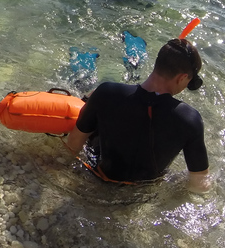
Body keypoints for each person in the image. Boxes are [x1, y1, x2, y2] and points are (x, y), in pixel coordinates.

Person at [65, 38, 210, 193]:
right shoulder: (189, 119)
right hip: (141, 192)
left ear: (157, 64)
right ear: (182, 78)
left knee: (88, 95)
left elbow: (74, 143)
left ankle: (84, 61)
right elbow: (200, 184)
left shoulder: (106, 92)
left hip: (98, 174)